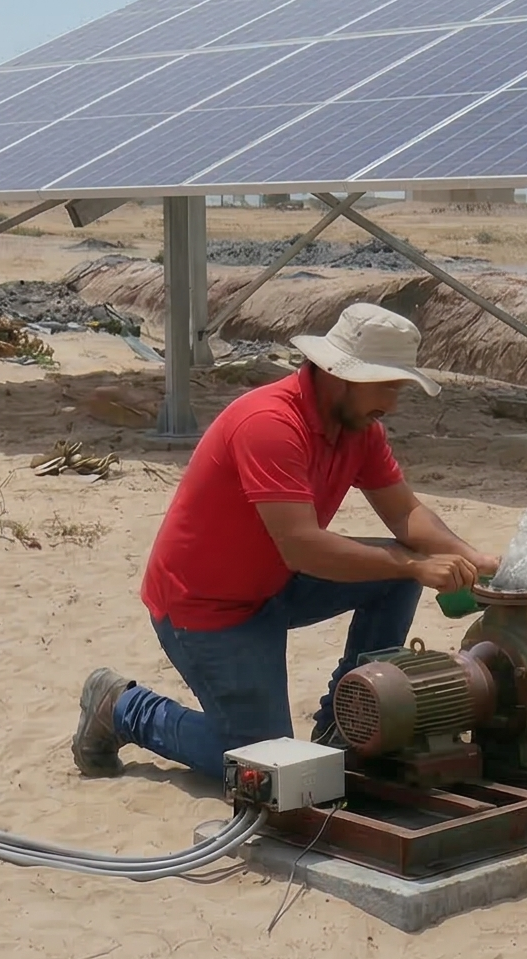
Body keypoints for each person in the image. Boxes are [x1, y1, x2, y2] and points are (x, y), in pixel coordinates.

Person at [73, 302, 499, 779]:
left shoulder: (360, 427)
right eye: (387, 387)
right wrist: (412, 566)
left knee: (401, 569)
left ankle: (348, 722)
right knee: (262, 763)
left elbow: (405, 512)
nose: (393, 404)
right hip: (207, 607)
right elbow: (302, 547)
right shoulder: (270, 425)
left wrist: (468, 556)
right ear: (342, 375)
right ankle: (121, 706)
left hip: (275, 583)